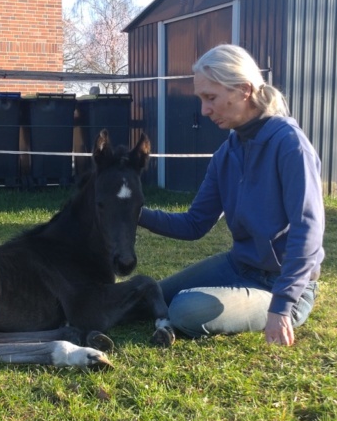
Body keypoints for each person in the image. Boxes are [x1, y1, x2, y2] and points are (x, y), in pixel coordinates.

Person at [138, 44, 324, 347]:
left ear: (244, 90)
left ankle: (271, 305)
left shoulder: (290, 145)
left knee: (186, 310)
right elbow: (194, 223)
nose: (204, 110)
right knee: (151, 294)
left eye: (210, 97)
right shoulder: (226, 153)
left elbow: (308, 230)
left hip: (283, 287)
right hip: (238, 266)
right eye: (201, 99)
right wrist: (134, 213)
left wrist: (281, 306)